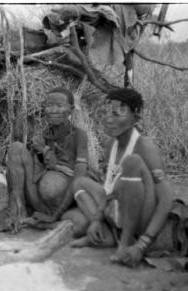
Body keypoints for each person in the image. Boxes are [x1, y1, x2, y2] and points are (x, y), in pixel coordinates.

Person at [68, 88, 175, 267]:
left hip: (140, 216)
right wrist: (96, 220)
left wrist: (144, 243)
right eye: (107, 113)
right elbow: (110, 190)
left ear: (135, 117)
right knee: (79, 183)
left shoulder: (145, 147)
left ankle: (127, 243)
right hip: (115, 206)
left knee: (132, 163)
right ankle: (104, 234)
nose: (109, 119)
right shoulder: (112, 144)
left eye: (117, 114)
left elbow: (166, 197)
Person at [5, 87, 91, 233]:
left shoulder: (79, 135)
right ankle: (18, 210)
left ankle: (52, 218)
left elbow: (79, 178)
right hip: (39, 198)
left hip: (61, 201)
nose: (53, 110)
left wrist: (44, 150)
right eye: (49, 105)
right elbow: (34, 167)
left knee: (50, 186)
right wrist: (38, 151)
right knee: (16, 148)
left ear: (70, 110)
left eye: (59, 106)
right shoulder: (45, 134)